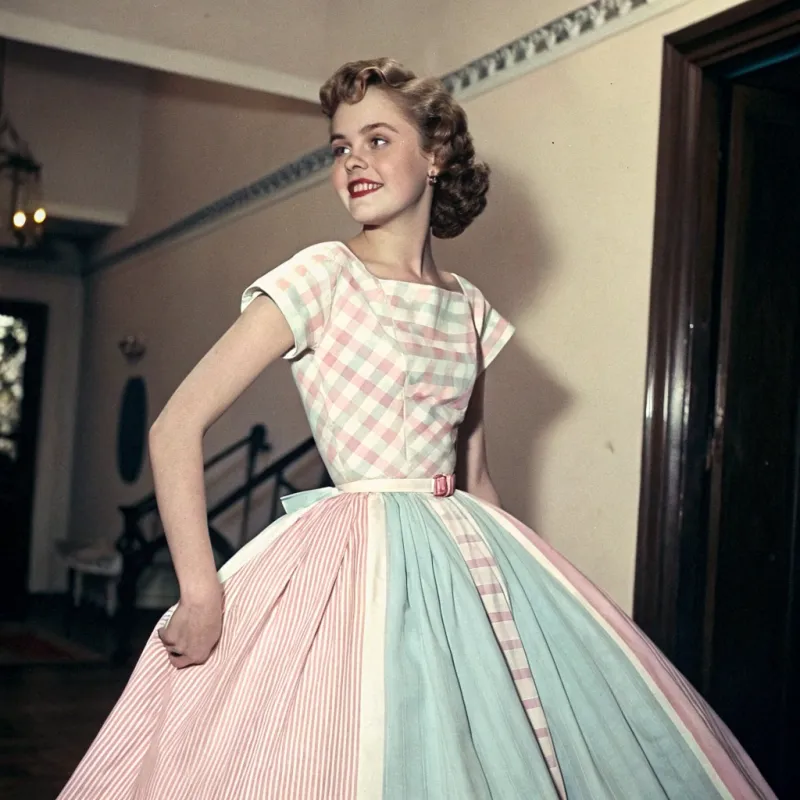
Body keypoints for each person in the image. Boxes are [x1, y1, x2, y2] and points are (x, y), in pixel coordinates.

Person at [58, 58, 774, 800]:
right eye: (340, 148)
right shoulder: (320, 275)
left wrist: (523, 607)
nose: (353, 163)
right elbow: (175, 427)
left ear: (435, 155)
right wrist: (200, 591)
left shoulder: (466, 305)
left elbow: (476, 475)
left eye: (376, 139)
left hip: (463, 553)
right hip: (349, 560)